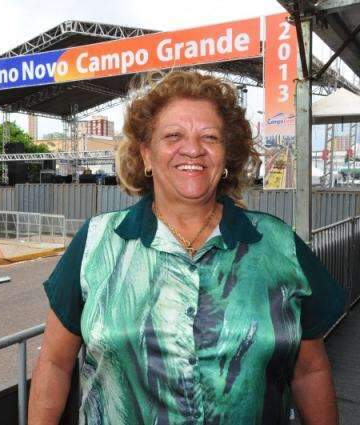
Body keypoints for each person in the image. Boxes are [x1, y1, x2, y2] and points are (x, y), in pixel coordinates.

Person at [28, 71, 346, 424]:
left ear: (227, 157)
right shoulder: (97, 243)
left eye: (209, 137)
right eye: (173, 135)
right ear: (147, 155)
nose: (193, 149)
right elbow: (55, 364)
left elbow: (310, 370)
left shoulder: (278, 244)